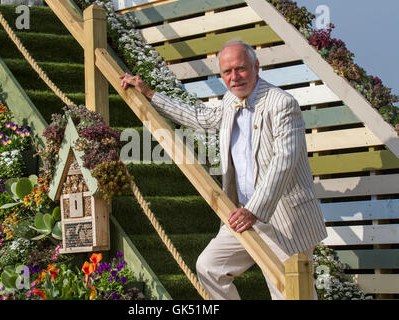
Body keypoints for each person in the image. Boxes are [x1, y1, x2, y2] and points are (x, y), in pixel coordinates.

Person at [120, 40, 327, 300]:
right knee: (209, 267)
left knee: (290, 294)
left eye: (240, 69)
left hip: (283, 218)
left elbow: (283, 162)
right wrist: (150, 94)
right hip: (241, 214)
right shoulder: (230, 100)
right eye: (227, 72)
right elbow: (201, 118)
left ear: (256, 67)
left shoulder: (283, 104)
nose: (234, 77)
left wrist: (254, 210)